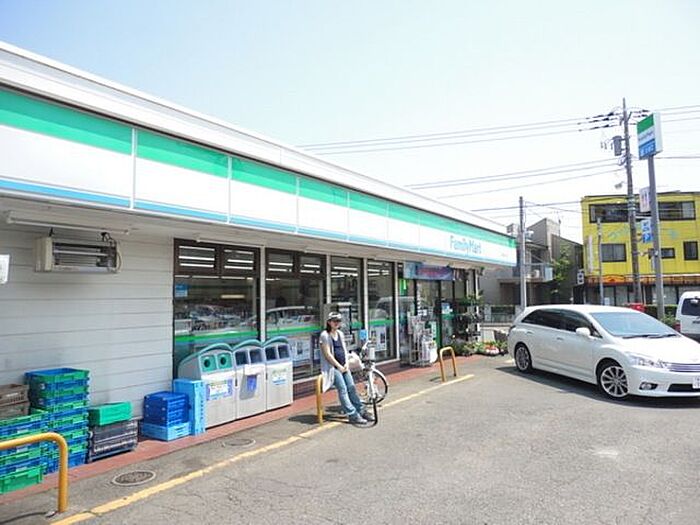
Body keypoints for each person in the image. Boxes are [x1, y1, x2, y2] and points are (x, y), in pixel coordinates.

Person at [319, 312, 373, 424]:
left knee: (351, 388)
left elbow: (344, 349)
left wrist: (346, 364)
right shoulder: (324, 335)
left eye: (338, 321)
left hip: (344, 365)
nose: (336, 323)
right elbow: (327, 354)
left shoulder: (340, 334)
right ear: (329, 322)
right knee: (343, 389)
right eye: (334, 321)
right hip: (333, 368)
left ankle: (361, 410)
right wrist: (338, 366)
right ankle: (352, 414)